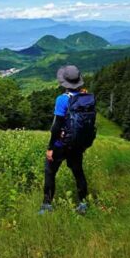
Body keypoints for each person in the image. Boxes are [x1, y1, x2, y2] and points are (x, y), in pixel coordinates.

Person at [39, 65, 91, 215]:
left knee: (49, 171)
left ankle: (46, 207)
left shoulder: (62, 99)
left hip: (61, 143)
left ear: (64, 83)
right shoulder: (86, 97)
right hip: (78, 143)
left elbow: (56, 127)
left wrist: (50, 148)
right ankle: (83, 204)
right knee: (78, 172)